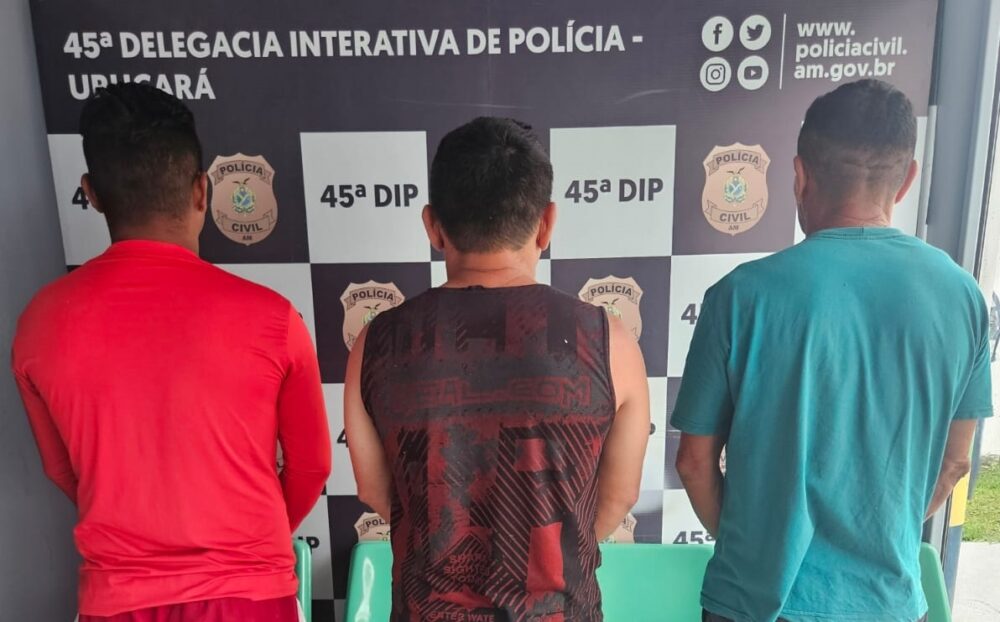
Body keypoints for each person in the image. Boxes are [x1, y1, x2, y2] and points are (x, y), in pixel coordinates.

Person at [672, 78, 993, 622]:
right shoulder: (962, 296)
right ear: (907, 179)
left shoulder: (739, 295)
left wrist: (754, 555)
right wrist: (884, 533)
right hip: (887, 604)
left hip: (755, 604)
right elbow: (956, 460)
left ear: (799, 176)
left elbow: (694, 461)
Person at [11, 83, 330, 622]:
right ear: (203, 190)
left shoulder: (39, 323)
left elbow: (63, 471)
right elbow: (312, 466)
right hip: (250, 598)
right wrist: (252, 546)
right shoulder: (274, 318)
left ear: (91, 193)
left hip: (117, 601)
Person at [344, 117, 650, 621]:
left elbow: (376, 491)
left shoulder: (374, 343)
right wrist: (545, 550)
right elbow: (620, 495)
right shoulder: (610, 340)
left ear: (432, 226)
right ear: (547, 223)